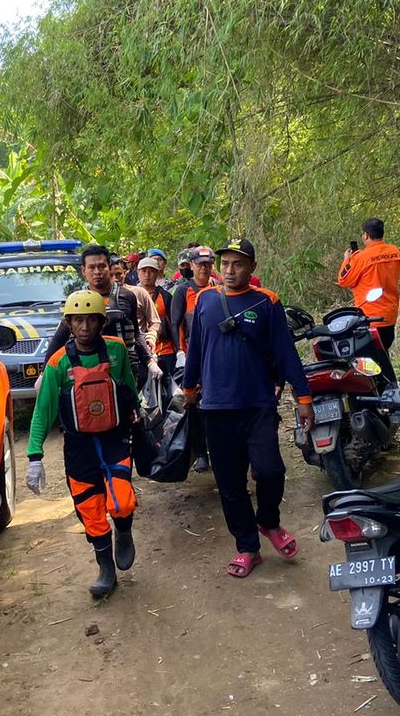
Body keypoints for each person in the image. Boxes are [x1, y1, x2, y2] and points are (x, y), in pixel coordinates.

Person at [182, 237, 315, 579]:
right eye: (224, 263)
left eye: (237, 264)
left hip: (257, 404)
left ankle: (268, 522)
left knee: (271, 471)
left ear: (252, 268)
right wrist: (188, 388)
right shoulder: (205, 301)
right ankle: (247, 547)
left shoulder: (267, 302)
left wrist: (303, 398)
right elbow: (195, 348)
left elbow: (286, 354)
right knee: (230, 483)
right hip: (216, 408)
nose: (229, 270)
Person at [27, 291, 140, 598]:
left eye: (92, 319)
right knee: (90, 507)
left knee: (122, 500)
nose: (85, 327)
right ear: (69, 323)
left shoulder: (115, 351)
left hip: (114, 438)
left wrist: (139, 411)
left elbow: (128, 385)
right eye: (78, 320)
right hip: (79, 447)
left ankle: (124, 531)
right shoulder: (58, 363)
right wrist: (34, 456)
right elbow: (44, 410)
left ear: (102, 322)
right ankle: (105, 567)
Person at [45, 245, 160, 389]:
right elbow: (61, 335)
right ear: (83, 271)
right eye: (91, 267)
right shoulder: (77, 301)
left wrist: (149, 361)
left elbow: (135, 333)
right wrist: (44, 373)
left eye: (101, 266)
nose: (97, 272)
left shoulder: (127, 296)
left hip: (124, 370)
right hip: (88, 372)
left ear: (109, 267)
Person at [169, 246, 219, 472]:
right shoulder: (183, 291)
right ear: (191, 265)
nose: (204, 269)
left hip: (215, 357)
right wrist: (180, 352)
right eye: (200, 264)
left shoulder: (218, 288)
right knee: (195, 406)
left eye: (208, 264)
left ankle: (219, 449)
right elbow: (175, 322)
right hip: (191, 357)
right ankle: (201, 452)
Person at [337, 217, 400, 351]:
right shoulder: (395, 252)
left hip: (369, 318)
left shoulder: (361, 258)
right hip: (390, 314)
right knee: (383, 354)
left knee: (369, 360)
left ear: (366, 235)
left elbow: (344, 280)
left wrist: (347, 260)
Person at [137, 256, 176, 407]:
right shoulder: (130, 295)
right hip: (140, 352)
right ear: (138, 272)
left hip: (164, 351)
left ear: (157, 273)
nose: (147, 275)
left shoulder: (165, 296)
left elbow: (174, 324)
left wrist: (178, 350)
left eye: (151, 271)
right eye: (144, 271)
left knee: (167, 393)